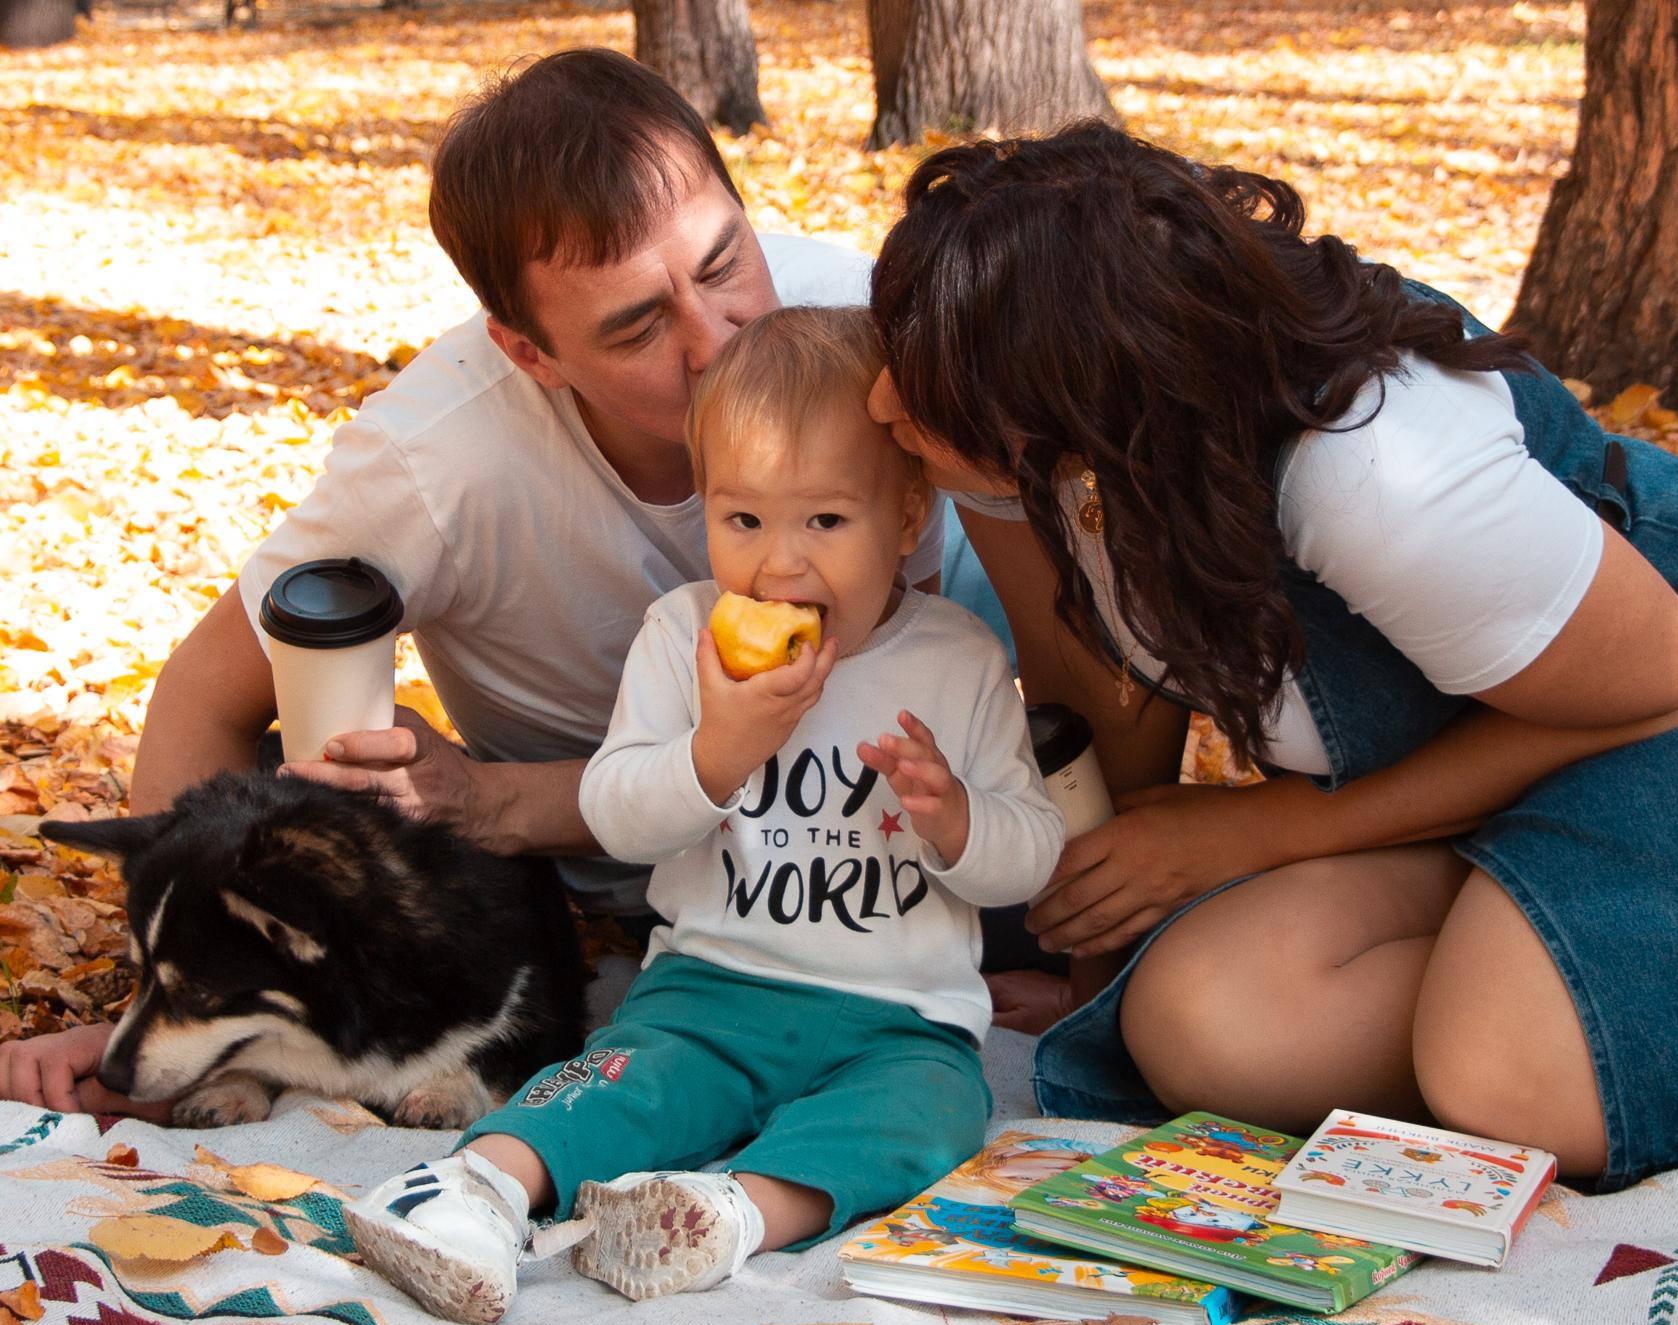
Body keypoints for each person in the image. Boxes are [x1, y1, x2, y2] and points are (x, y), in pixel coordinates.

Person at [862, 122, 1678, 1189]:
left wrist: (1264, 828)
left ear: (1075, 408)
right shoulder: (1024, 449)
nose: (878, 401)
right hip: (1487, 766)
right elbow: (1092, 702)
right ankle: (1617, 984)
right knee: (1198, 1024)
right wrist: (1089, 959)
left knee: (1505, 1081)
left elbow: (1659, 682)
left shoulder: (1373, 474)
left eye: (916, 379)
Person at [0, 47, 1009, 1117]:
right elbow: (211, 689)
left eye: (722, 263)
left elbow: (1060, 588)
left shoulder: (865, 324)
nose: (721, 342)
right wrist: (168, 991)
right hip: (642, 891)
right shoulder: (437, 457)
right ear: (530, 353)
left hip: (935, 851)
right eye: (635, 325)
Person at [340, 305, 1063, 1323]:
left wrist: (956, 824)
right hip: (711, 988)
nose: (779, 564)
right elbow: (616, 813)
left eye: (824, 521)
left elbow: (1029, 856)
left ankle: (723, 1215)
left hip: (897, 1018)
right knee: (618, 1082)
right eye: (742, 520)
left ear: (906, 518)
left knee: (932, 1119)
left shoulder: (956, 661)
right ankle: (469, 1189)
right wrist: (717, 750)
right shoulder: (682, 636)